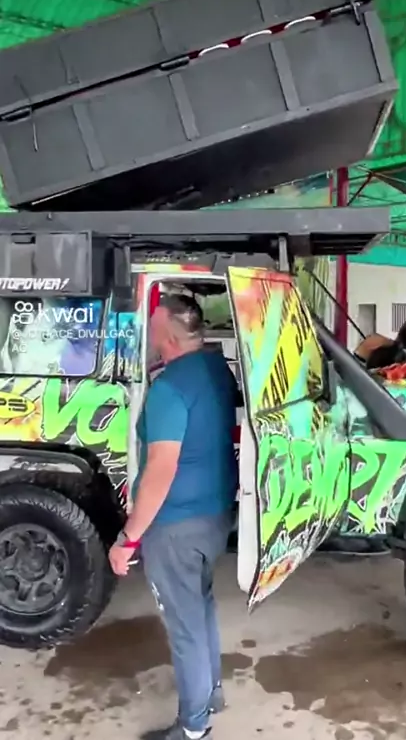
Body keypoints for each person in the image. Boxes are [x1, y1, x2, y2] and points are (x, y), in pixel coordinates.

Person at [109, 293, 239, 740]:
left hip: (176, 525)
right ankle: (211, 693)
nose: (148, 330)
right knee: (199, 605)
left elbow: (160, 472)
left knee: (184, 625)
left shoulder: (169, 389)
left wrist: (128, 539)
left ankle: (194, 726)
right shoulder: (216, 369)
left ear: (165, 334)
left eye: (152, 323)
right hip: (215, 514)